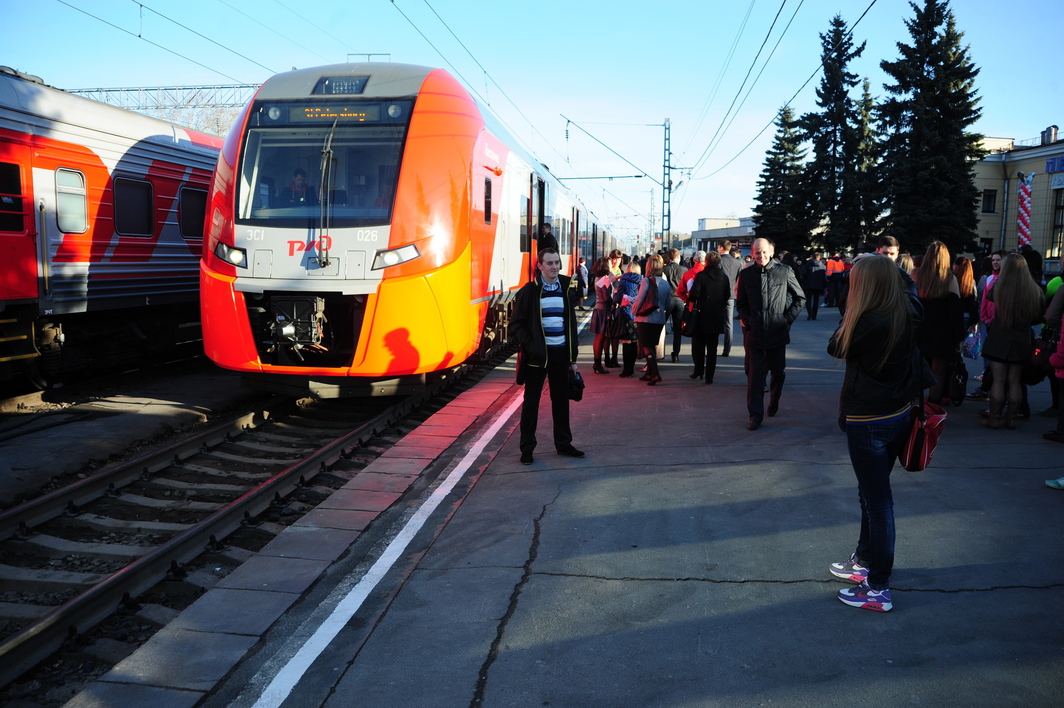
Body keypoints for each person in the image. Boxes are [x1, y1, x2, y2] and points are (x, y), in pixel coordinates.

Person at [827, 254, 924, 613]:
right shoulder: (909, 311)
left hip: (868, 421)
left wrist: (853, 306)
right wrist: (889, 270)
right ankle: (865, 561)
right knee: (871, 496)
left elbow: (836, 346)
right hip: (897, 416)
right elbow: (911, 289)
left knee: (878, 503)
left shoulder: (867, 321)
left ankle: (878, 587)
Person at [511, 248, 582, 464]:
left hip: (560, 353)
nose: (554, 267)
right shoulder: (529, 291)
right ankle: (527, 449)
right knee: (531, 402)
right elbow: (516, 324)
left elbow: (570, 324)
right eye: (549, 263)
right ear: (539, 266)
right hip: (537, 356)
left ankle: (563, 444)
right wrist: (532, 345)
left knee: (561, 401)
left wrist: (572, 359)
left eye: (557, 263)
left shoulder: (567, 288)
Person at [736, 238, 805, 430]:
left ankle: (774, 401)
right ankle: (755, 415)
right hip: (755, 335)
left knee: (778, 373)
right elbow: (740, 303)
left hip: (777, 334)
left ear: (771, 252)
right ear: (752, 253)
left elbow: (800, 298)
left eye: (764, 251)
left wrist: (786, 319)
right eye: (757, 252)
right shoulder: (746, 274)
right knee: (755, 378)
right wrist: (748, 320)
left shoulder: (785, 272)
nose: (761, 255)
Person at [980, 253, 1045, 429]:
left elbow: (990, 298)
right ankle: (1011, 419)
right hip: (1021, 339)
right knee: (1015, 381)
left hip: (999, 337)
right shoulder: (1035, 290)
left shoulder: (1000, 286)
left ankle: (994, 418)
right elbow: (1039, 317)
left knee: (998, 380)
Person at [913, 241, 965, 406]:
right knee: (939, 371)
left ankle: (913, 402)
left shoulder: (916, 276)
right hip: (943, 332)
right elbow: (955, 312)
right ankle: (933, 406)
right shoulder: (949, 279)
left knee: (917, 367)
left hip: (920, 329)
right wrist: (959, 338)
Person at [687, 251, 730, 384]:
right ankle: (709, 377)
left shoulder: (701, 276)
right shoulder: (724, 277)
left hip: (701, 314)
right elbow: (727, 295)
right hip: (716, 315)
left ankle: (698, 370)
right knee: (712, 348)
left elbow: (694, 295)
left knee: (699, 345)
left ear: (706, 261)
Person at [631, 254, 671, 385]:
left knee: (646, 346)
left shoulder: (646, 281)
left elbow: (640, 298)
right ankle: (649, 373)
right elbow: (667, 303)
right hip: (659, 319)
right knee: (652, 345)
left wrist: (634, 311)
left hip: (645, 318)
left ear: (648, 267)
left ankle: (655, 374)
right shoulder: (665, 283)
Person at [614, 261, 643, 378]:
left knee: (626, 342)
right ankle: (631, 368)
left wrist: (615, 293)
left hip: (626, 314)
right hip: (637, 314)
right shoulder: (643, 280)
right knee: (634, 341)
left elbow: (617, 299)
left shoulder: (624, 281)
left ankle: (627, 370)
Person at [588, 257, 617, 374]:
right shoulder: (604, 279)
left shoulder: (598, 278)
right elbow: (606, 297)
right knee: (601, 338)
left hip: (598, 309)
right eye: (610, 264)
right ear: (605, 265)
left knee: (599, 337)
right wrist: (615, 303)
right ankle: (597, 363)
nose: (611, 265)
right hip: (603, 310)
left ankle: (597, 362)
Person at [716, 240, 742, 356]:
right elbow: (739, 280)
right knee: (728, 323)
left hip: (718, 296)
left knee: (715, 322)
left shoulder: (718, 261)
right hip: (731, 296)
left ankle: (713, 348)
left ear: (721, 248)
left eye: (718, 247)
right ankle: (727, 350)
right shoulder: (737, 262)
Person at [662, 248, 686, 363]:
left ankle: (659, 352)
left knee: (661, 327)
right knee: (678, 330)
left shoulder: (664, 269)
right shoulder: (684, 270)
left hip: (667, 300)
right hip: (680, 300)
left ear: (669, 258)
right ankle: (675, 354)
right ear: (678, 257)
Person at [800, 252, 827, 321]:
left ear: (812, 257)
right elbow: (824, 277)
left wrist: (804, 283)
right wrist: (825, 286)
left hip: (808, 285)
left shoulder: (808, 265)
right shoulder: (822, 266)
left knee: (808, 300)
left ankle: (810, 314)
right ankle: (814, 315)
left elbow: (804, 275)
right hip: (818, 285)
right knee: (816, 300)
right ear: (819, 257)